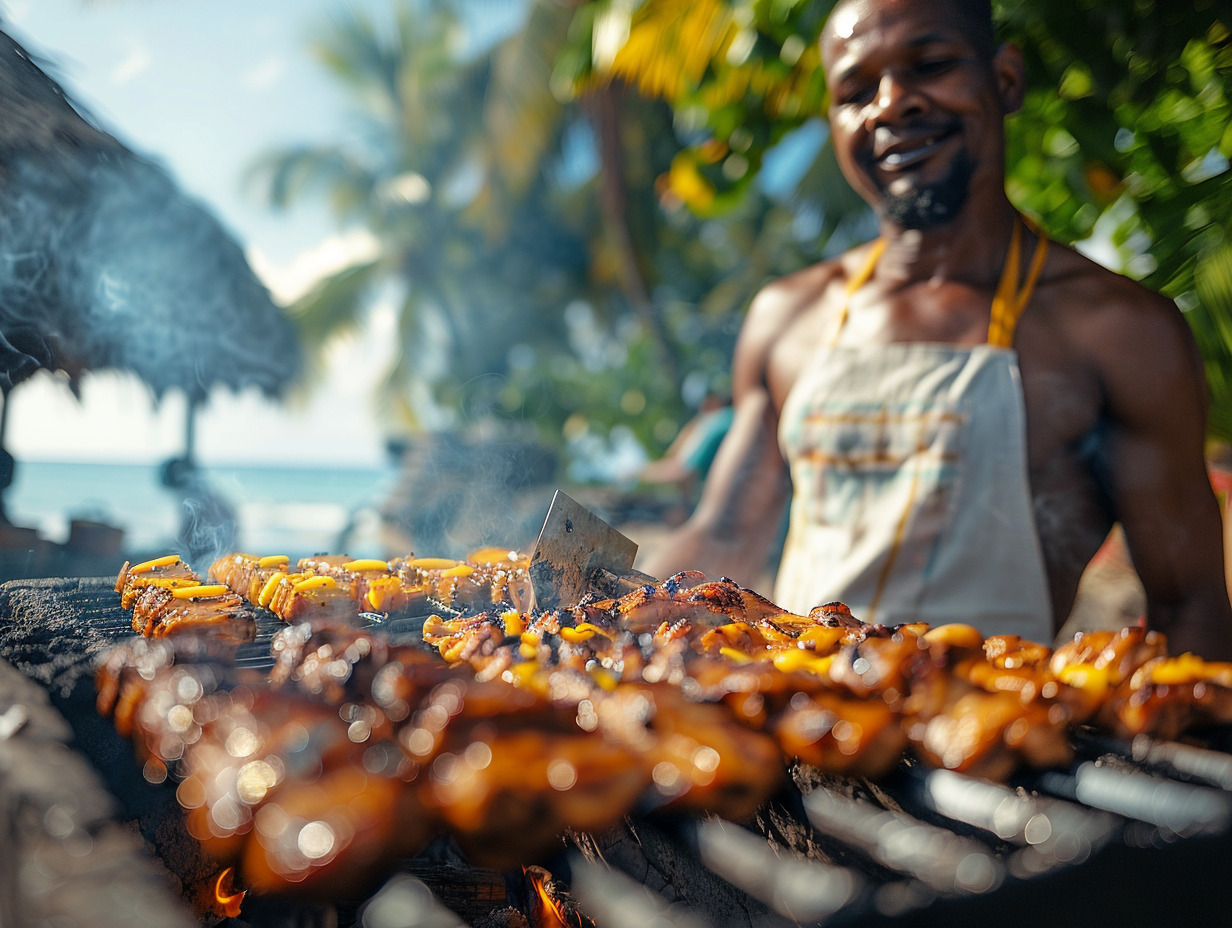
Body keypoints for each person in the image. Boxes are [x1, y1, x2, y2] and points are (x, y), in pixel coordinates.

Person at [640, 0, 1232, 658]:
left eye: (930, 66)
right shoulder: (788, 317)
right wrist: (607, 607)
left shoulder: (1117, 330)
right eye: (856, 90)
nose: (892, 104)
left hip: (989, 744)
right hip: (798, 729)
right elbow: (723, 536)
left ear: (1005, 79)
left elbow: (1190, 606)